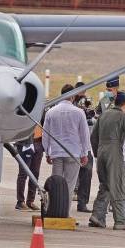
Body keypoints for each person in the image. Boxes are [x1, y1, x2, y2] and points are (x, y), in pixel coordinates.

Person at [89, 92, 125, 230]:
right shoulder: (124, 117)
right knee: (119, 185)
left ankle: (97, 216)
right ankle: (120, 221)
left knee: (105, 185)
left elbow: (93, 137)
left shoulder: (104, 115)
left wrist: (97, 153)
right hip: (114, 153)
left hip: (101, 152)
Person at [43, 84, 91, 215]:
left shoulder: (51, 112)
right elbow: (84, 134)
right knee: (69, 185)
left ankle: (54, 210)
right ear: (74, 95)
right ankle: (65, 213)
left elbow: (45, 133)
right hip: (73, 152)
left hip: (57, 153)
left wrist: (47, 152)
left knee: (56, 183)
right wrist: (85, 153)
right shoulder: (79, 112)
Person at [74, 81, 95, 213]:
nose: (83, 94)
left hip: (85, 147)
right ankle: (63, 204)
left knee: (87, 175)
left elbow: (91, 126)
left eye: (84, 92)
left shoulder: (87, 105)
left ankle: (82, 203)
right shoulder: (71, 107)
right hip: (73, 147)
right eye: (81, 92)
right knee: (69, 176)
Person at [14, 133, 44, 211]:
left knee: (35, 174)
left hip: (39, 143)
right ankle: (20, 201)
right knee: (23, 173)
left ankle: (30, 201)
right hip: (26, 144)